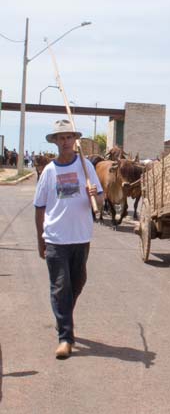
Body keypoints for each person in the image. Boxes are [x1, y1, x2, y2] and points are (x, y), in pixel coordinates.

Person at [34, 118, 103, 360]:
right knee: (61, 285)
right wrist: (40, 240)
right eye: (61, 138)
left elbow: (100, 203)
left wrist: (95, 195)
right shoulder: (49, 172)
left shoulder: (86, 167)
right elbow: (39, 207)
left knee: (78, 281)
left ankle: (63, 313)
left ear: (75, 140)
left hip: (81, 237)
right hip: (56, 238)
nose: (65, 141)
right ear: (55, 142)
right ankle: (65, 338)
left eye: (69, 137)